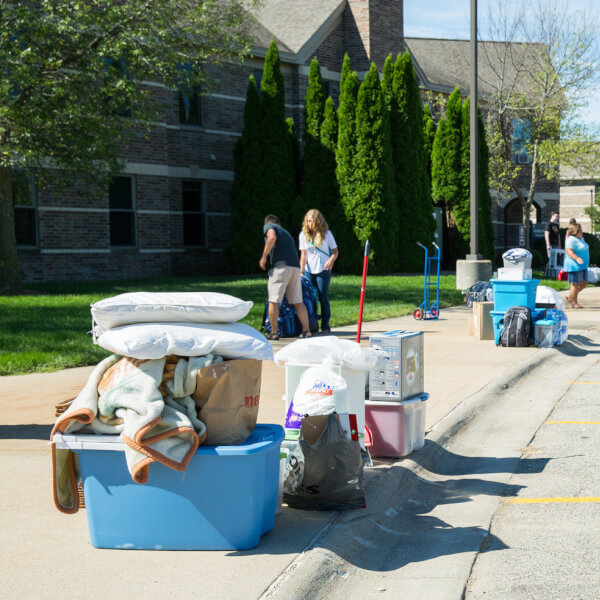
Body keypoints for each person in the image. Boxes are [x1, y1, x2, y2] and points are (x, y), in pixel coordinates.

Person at [259, 214, 312, 340]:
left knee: (273, 300)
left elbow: (271, 238)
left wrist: (264, 257)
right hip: (295, 268)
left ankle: (274, 332)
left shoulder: (269, 225)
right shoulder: (286, 233)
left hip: (280, 268)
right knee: (298, 301)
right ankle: (306, 330)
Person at [299, 209, 338, 334]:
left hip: (323, 269)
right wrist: (301, 271)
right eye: (307, 221)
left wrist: (330, 261)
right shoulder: (303, 235)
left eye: (311, 221)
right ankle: (313, 323)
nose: (309, 224)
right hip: (309, 271)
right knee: (310, 298)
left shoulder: (327, 234)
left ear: (317, 221)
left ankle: (325, 325)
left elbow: (335, 252)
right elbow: (303, 255)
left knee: (323, 297)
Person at [564, 222, 589, 309]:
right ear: (575, 231)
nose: (581, 231)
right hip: (574, 265)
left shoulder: (580, 238)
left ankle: (571, 297)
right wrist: (577, 258)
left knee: (584, 283)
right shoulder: (571, 240)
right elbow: (569, 251)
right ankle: (574, 302)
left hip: (583, 266)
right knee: (575, 284)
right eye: (580, 230)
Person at [544, 211, 561, 276]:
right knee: (550, 259)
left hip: (556, 244)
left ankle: (554, 274)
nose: (557, 217)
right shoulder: (548, 224)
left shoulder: (556, 225)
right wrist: (548, 244)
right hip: (551, 244)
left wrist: (559, 245)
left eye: (558, 216)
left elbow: (558, 236)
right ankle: (547, 274)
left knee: (556, 259)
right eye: (556, 216)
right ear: (552, 215)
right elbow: (546, 234)